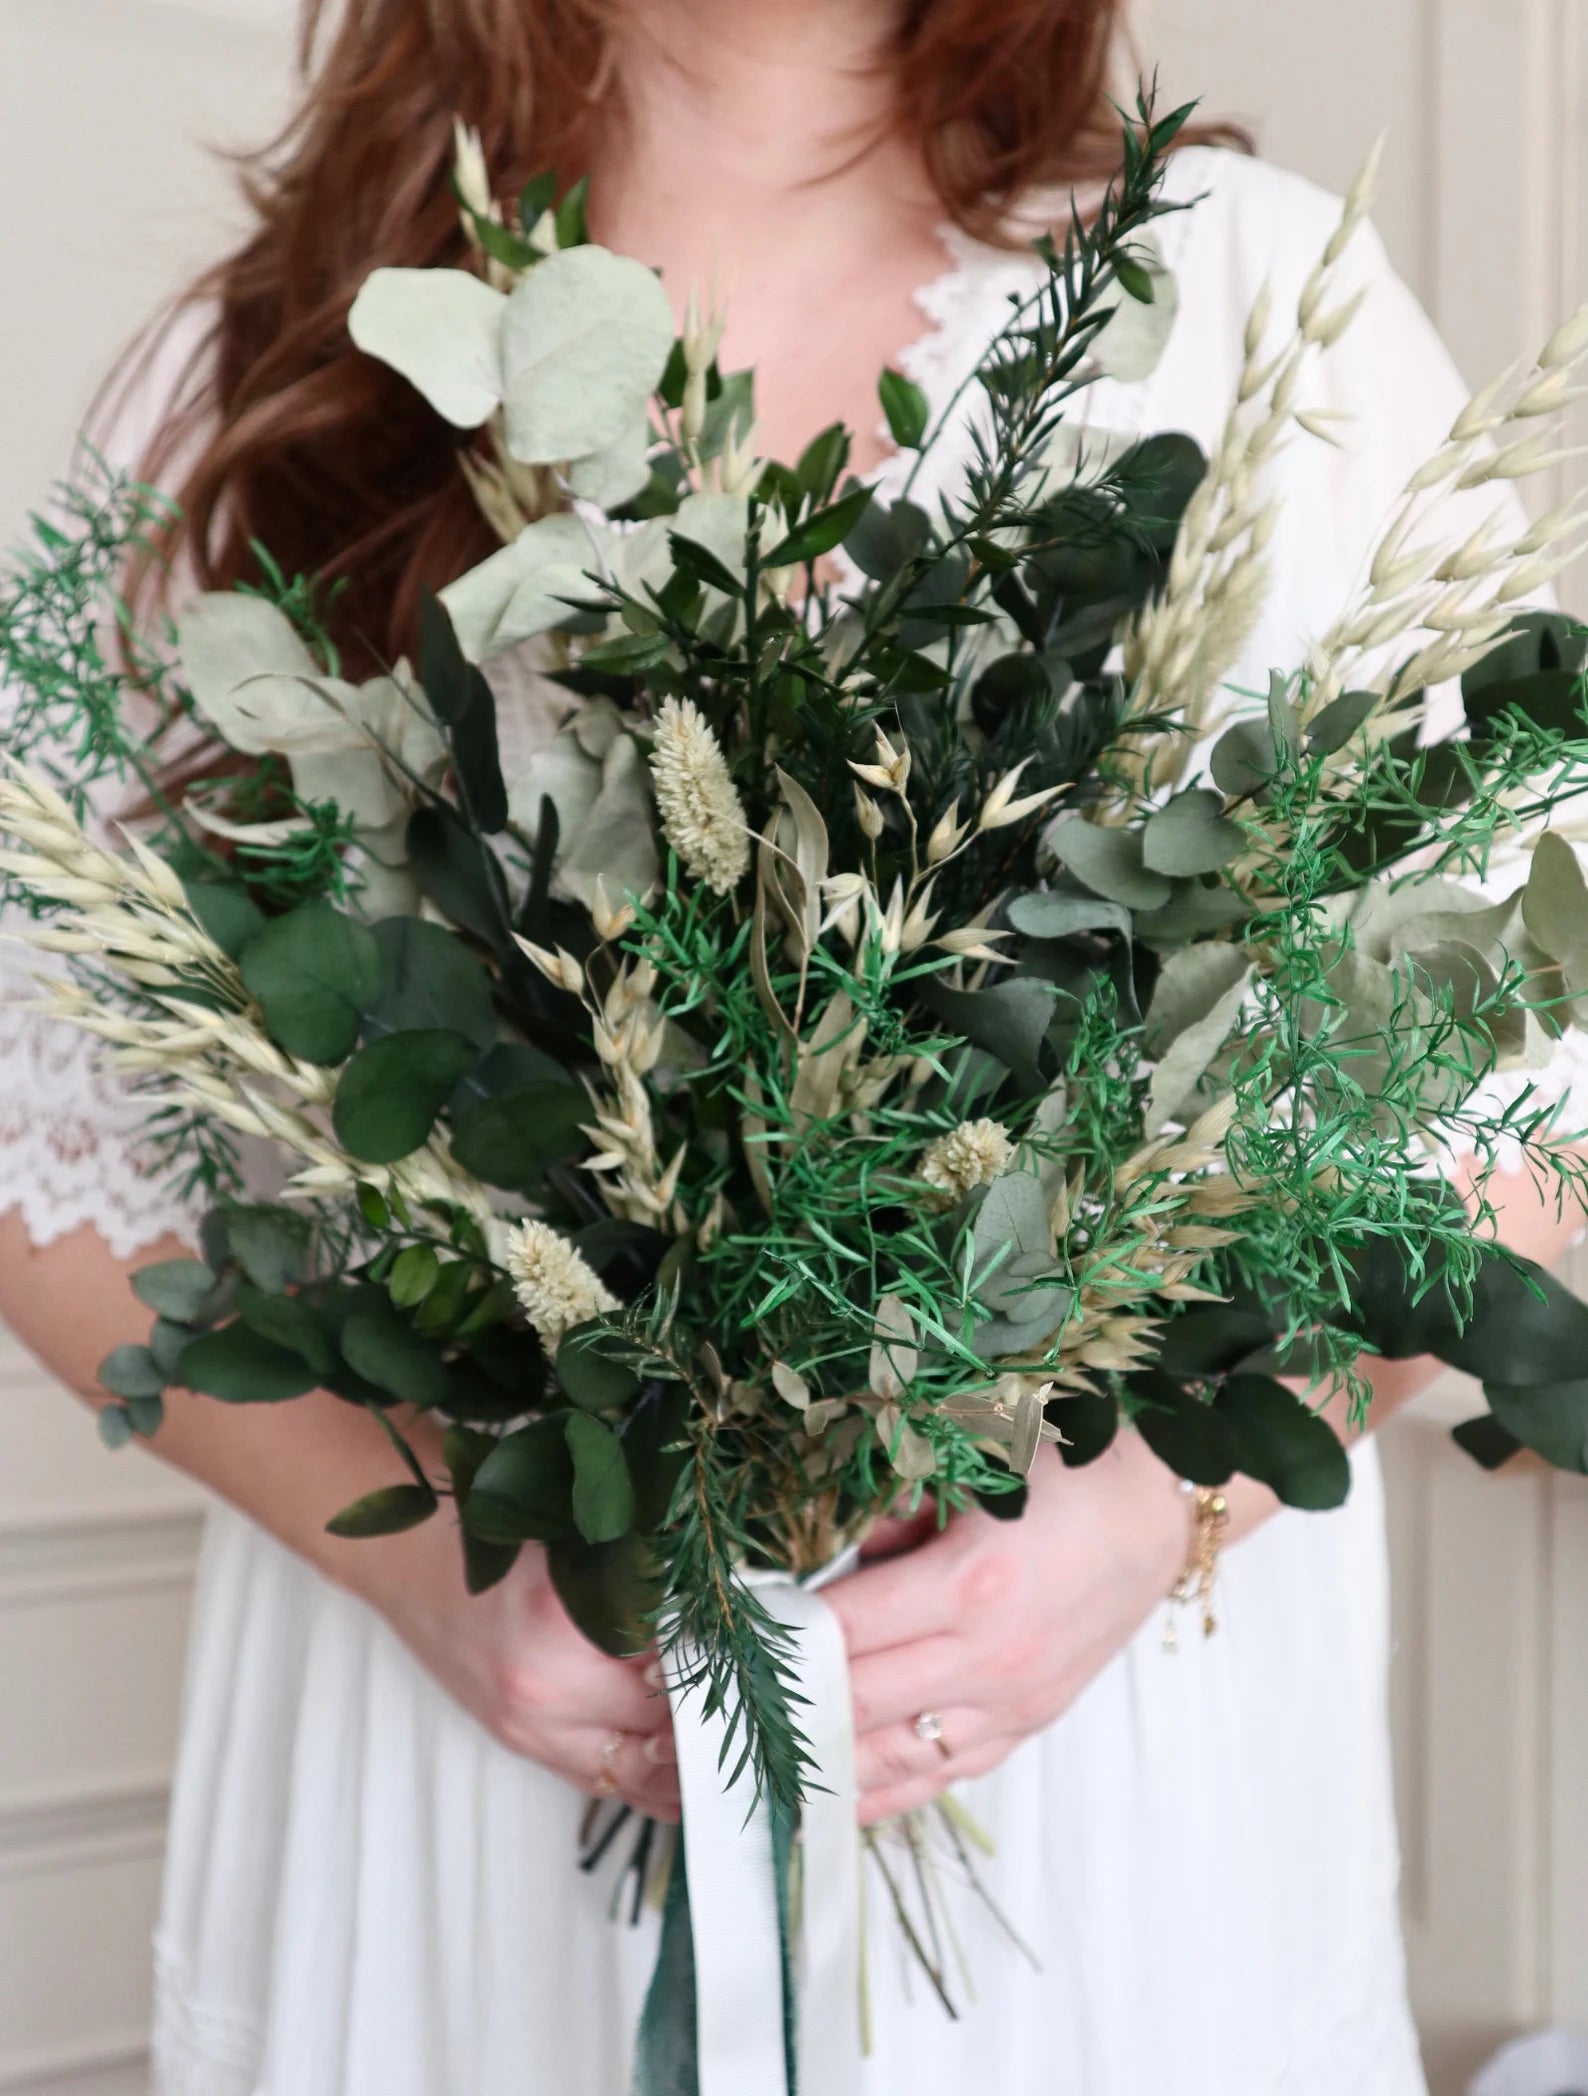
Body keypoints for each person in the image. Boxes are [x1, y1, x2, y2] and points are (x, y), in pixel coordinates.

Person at [0, 1, 1580, 2090]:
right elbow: (47, 1149)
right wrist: (427, 1560)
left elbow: (1518, 1112)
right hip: (462, 1759)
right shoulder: (274, 365)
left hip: (1093, 1797)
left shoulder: (1254, 302)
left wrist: (1146, 1520)